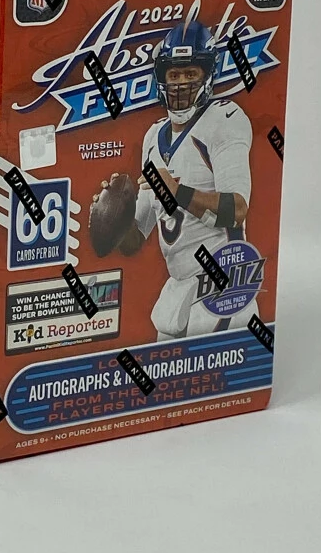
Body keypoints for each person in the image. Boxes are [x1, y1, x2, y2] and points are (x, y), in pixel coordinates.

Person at [93, 17, 255, 340]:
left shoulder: (224, 119)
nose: (181, 84)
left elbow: (238, 209)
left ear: (208, 75)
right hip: (178, 287)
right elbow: (135, 240)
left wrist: (179, 192)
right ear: (161, 78)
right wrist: (110, 220)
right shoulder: (153, 138)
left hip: (221, 280)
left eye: (191, 74)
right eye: (174, 74)